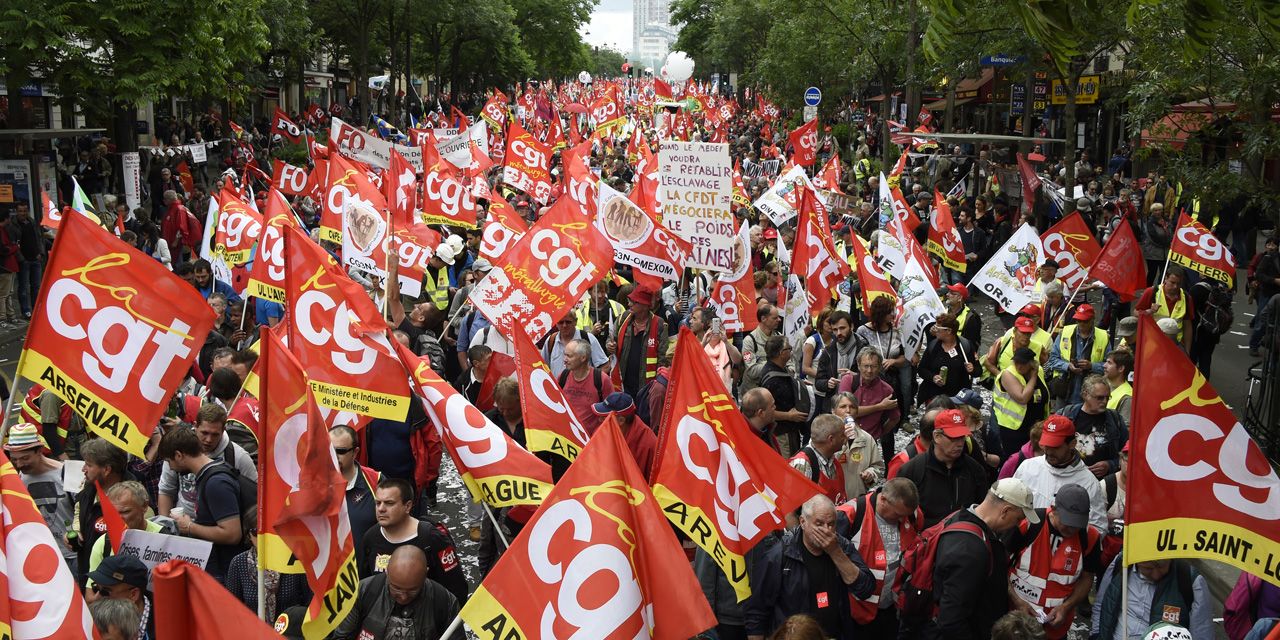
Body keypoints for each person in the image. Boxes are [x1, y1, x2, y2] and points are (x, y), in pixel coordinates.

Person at [900, 478, 1038, 640]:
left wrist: (1015, 600)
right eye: (1018, 519)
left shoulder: (960, 517)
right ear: (1005, 511)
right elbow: (951, 620)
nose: (1017, 525)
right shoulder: (970, 551)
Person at [745, 495, 876, 640]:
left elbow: (865, 589)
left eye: (831, 524)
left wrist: (835, 552)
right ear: (803, 522)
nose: (826, 530)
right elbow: (757, 611)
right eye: (819, 524)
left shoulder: (841, 545)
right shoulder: (780, 555)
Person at [1006, 484, 1102, 639]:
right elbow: (999, 566)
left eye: (1077, 524)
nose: (1071, 529)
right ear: (1053, 509)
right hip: (1015, 622)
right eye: (1067, 522)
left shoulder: (1090, 537)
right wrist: (1018, 602)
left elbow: (1087, 578)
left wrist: (1066, 607)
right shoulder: (1029, 523)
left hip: (1055, 627)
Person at [359, 478, 469, 606]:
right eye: (378, 503)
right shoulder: (371, 537)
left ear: (407, 506)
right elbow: (366, 585)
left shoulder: (432, 538)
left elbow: (456, 588)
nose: (381, 509)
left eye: (389, 503)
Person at [835, 478, 922, 636]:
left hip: (891, 609)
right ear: (883, 500)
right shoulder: (850, 515)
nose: (902, 520)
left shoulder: (911, 514)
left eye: (905, 515)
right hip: (857, 612)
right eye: (897, 514)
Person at [157, 426, 246, 580]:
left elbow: (232, 534)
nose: (170, 467)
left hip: (224, 572)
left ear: (178, 455)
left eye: (169, 461)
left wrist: (189, 527)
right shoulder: (209, 475)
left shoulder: (216, 483)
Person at [334, 546, 460, 640]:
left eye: (412, 590)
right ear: (387, 571)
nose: (403, 597)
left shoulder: (444, 601)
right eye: (396, 588)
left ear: (425, 574)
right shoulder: (363, 592)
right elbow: (341, 636)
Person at [896, 408, 991, 527]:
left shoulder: (975, 470)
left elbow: (982, 510)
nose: (960, 444)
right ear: (937, 436)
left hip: (961, 535)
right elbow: (898, 514)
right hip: (924, 537)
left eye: (962, 437)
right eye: (953, 437)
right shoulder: (912, 470)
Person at [156, 408, 257, 520]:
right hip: (182, 521)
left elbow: (254, 496)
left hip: (218, 525)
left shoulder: (238, 456)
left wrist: (189, 526)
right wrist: (165, 524)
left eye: (215, 435)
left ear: (223, 430)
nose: (208, 439)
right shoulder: (178, 448)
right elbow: (166, 490)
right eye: (204, 433)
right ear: (195, 426)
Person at [1013, 415, 1108, 531]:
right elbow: (1011, 507)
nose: (1049, 451)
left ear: (1072, 444)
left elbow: (1098, 528)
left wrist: (1068, 534)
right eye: (1046, 445)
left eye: (1055, 447)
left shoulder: (1089, 482)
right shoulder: (1027, 467)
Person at [224, 506, 311, 623]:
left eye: (269, 531)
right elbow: (231, 609)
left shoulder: (294, 559)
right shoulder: (239, 563)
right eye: (256, 532)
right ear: (248, 535)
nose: (263, 537)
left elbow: (310, 604)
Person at [5, 423, 74, 565]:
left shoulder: (70, 472)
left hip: (73, 556)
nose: (19, 464)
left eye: (25, 458)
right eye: (14, 459)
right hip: (40, 557)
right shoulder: (14, 479)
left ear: (39, 451)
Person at [1093, 558, 1212, 640]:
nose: (1156, 574)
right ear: (1136, 562)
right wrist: (1095, 635)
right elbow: (1101, 605)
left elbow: (1202, 633)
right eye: (1148, 568)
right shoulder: (1121, 564)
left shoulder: (1189, 580)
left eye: (1161, 567)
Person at [73, 438, 136, 580]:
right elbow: (78, 511)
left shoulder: (134, 500)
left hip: (116, 582)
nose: (83, 469)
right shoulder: (88, 488)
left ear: (107, 469)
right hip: (87, 574)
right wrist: (76, 531)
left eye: (89, 465)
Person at [85, 482, 167, 580]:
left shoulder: (165, 539)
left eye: (125, 512)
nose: (118, 519)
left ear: (144, 506)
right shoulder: (103, 544)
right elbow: (92, 588)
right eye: (113, 512)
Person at [1055, 375, 1130, 477]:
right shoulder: (1066, 415)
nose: (1105, 401)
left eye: (1107, 397)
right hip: (1068, 477)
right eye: (1100, 398)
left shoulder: (1115, 419)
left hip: (1103, 480)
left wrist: (1110, 465)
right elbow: (1050, 448)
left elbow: (1127, 454)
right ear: (1085, 395)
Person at [837, 347, 901, 461]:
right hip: (845, 440)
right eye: (866, 366)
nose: (869, 370)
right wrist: (879, 407)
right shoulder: (848, 381)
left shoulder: (887, 390)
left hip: (869, 442)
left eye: (874, 366)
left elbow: (895, 418)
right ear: (859, 365)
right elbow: (846, 413)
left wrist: (880, 432)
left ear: (880, 367)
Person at [857, 296, 912, 423]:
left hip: (892, 379)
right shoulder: (863, 331)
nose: (893, 314)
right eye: (889, 312)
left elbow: (904, 357)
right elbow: (859, 356)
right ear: (880, 314)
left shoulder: (896, 331)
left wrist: (893, 361)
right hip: (871, 379)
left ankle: (902, 420)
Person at [330, 425, 381, 560]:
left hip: (364, 569)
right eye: (330, 450)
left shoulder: (375, 481)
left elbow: (396, 526)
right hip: (327, 570)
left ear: (355, 452)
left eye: (340, 451)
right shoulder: (312, 483)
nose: (334, 457)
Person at [610, 286, 670, 396]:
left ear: (645, 305)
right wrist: (610, 346)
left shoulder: (660, 324)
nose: (629, 304)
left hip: (646, 387)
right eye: (630, 300)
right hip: (623, 382)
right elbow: (611, 339)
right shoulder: (623, 318)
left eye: (634, 302)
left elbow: (663, 358)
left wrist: (656, 386)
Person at [992, 347, 1049, 459]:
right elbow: (1022, 398)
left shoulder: (1039, 370)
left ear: (1031, 363)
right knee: (1015, 459)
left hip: (1036, 426)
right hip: (1014, 428)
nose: (1019, 366)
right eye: (1016, 362)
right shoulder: (1008, 374)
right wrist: (1033, 377)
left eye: (1023, 363)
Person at [1047, 303, 1110, 406]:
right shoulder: (1065, 333)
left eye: (1085, 321)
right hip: (1064, 391)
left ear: (1092, 320)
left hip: (1091, 394)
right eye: (1078, 320)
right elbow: (1052, 360)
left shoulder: (1103, 337)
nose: (1081, 324)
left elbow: (1110, 366)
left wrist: (1092, 366)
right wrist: (1067, 366)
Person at [85, 555, 154, 639]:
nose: (96, 598)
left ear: (133, 594)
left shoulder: (164, 627)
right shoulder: (90, 622)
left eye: (105, 592)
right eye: (95, 589)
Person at [761, 336, 809, 457]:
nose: (791, 350)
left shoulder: (782, 369)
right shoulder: (772, 379)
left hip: (791, 431)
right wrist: (789, 416)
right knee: (787, 464)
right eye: (789, 348)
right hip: (781, 435)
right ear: (781, 353)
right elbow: (765, 411)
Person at [830, 392, 884, 499]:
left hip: (856, 499)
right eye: (843, 407)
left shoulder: (867, 438)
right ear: (833, 411)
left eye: (852, 407)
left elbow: (877, 466)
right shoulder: (825, 436)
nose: (848, 410)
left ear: (857, 412)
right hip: (832, 499)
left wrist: (870, 474)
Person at [590, 392, 658, 477]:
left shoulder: (649, 445)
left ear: (621, 420)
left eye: (605, 417)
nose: (599, 420)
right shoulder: (601, 431)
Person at [916, 314, 978, 405]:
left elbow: (978, 371)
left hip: (958, 399)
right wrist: (933, 377)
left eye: (938, 328)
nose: (935, 330)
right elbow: (921, 369)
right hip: (934, 397)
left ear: (948, 331)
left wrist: (972, 369)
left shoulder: (965, 346)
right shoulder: (933, 346)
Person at [815, 311, 867, 413]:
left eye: (842, 328)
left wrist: (856, 376)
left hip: (858, 405)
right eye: (835, 329)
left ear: (851, 326)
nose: (838, 333)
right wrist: (827, 383)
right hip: (834, 406)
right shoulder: (828, 351)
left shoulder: (863, 348)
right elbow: (818, 382)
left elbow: (877, 377)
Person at [788, 414, 848, 504]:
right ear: (831, 439)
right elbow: (792, 507)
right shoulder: (802, 464)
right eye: (842, 435)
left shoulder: (833, 459)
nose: (846, 438)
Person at [559, 338, 615, 430]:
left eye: (569, 356)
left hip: (592, 437)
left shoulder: (601, 379)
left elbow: (611, 412)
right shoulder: (563, 376)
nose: (565, 359)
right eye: (565, 355)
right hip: (566, 435)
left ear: (583, 358)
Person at [1136, 266, 1194, 352]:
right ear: (1166, 279)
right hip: (1152, 342)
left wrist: (1187, 351)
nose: (1175, 286)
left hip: (1175, 344)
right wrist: (1149, 311)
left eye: (1179, 283)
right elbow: (1136, 313)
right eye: (1172, 282)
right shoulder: (1151, 292)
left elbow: (1187, 325)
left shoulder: (1186, 297)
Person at [541, 312, 608, 377]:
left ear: (575, 322)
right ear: (556, 323)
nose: (564, 325)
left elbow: (605, 366)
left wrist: (591, 382)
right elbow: (542, 367)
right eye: (561, 322)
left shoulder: (588, 338)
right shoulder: (551, 340)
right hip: (557, 385)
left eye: (568, 322)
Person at [1249, 235, 1279, 357]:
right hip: (1267, 293)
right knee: (1262, 320)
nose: (1271, 247)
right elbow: (1259, 274)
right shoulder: (1268, 258)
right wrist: (1274, 280)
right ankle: (1254, 345)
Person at [741, 387, 783, 453]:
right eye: (772, 406)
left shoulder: (767, 429)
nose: (775, 407)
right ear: (761, 413)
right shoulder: (743, 442)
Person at [943, 283, 982, 349]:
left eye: (952, 293)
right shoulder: (944, 311)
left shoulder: (971, 317)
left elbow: (972, 343)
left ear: (960, 298)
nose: (947, 294)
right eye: (948, 292)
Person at [1103, 350, 1134, 425]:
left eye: (1109, 363)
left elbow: (1125, 428)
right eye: (1106, 362)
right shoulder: (1102, 385)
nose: (1104, 365)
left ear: (1121, 369)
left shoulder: (1128, 396)